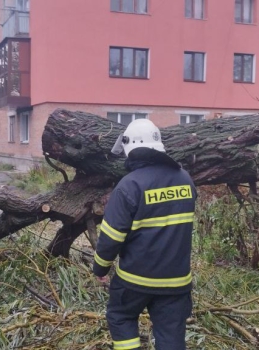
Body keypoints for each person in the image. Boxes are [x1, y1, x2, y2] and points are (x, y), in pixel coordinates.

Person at [92, 119, 197, 350]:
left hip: (134, 281)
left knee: (120, 316)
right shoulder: (186, 181)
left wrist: (100, 269)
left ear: (131, 149)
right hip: (176, 282)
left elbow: (111, 239)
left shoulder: (129, 186)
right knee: (171, 337)